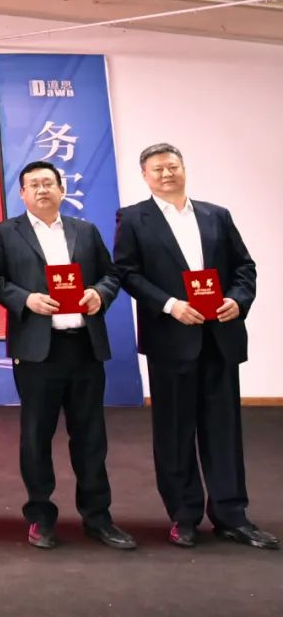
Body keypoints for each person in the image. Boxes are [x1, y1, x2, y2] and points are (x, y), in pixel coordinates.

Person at [113, 143, 277, 550]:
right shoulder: (133, 218)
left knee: (224, 430)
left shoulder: (216, 215)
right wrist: (171, 305)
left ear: (184, 168)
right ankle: (183, 516)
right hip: (171, 339)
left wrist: (237, 300)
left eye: (172, 166)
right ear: (145, 176)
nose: (166, 173)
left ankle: (232, 515)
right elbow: (128, 273)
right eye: (157, 169)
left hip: (219, 337)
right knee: (174, 431)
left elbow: (245, 267)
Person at [0, 160, 136, 550]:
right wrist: (26, 299)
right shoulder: (5, 232)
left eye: (48, 183)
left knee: (91, 437)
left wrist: (99, 294)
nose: (42, 189)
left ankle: (98, 518)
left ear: (61, 189)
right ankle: (40, 518)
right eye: (33, 184)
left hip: (84, 347)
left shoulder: (85, 230)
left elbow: (111, 274)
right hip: (38, 351)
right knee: (36, 437)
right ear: (22, 193)